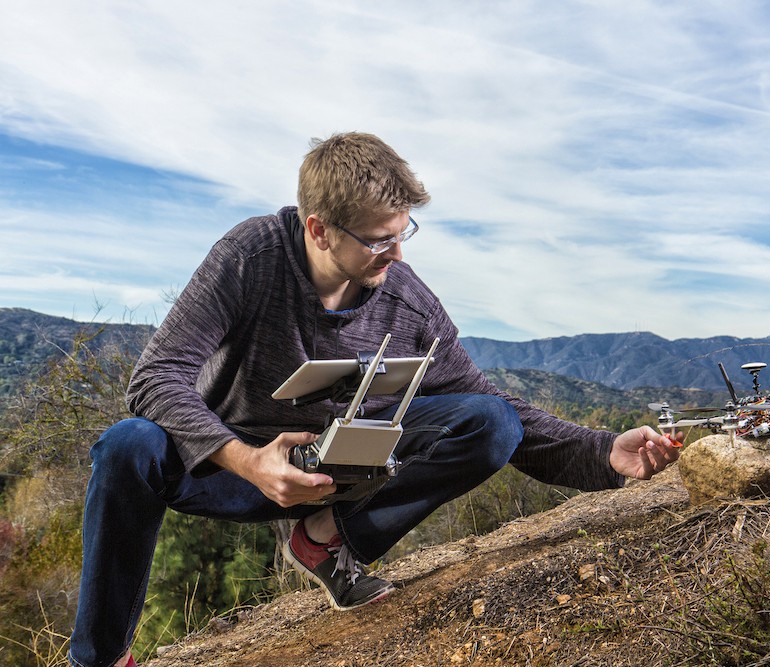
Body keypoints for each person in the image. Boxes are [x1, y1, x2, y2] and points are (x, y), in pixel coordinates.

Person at [67, 132, 682, 667]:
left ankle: (327, 539)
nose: (398, 252)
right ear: (318, 229)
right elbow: (155, 377)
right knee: (128, 444)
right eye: (380, 240)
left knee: (488, 422)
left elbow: (484, 398)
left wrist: (604, 452)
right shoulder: (250, 258)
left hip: (337, 476)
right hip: (233, 469)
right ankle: (102, 658)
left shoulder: (404, 296)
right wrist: (244, 459)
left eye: (403, 232)